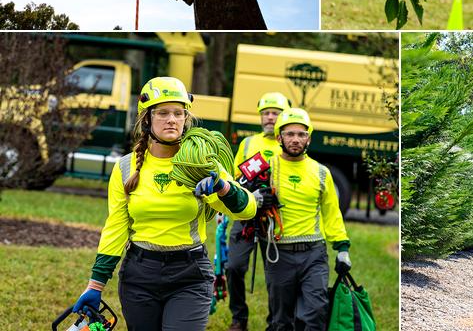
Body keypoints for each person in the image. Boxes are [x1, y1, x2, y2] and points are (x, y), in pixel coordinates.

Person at [70, 76, 257, 330]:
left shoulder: (202, 164)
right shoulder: (125, 167)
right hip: (139, 274)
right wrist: (96, 284)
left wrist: (222, 187)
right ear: (147, 118)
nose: (172, 119)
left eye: (179, 113)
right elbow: (115, 228)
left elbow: (247, 210)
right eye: (163, 113)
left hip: (190, 275)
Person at [265, 107, 351, 331]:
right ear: (279, 137)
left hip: (313, 254)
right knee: (281, 320)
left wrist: (342, 249)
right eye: (290, 134)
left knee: (316, 313)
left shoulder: (322, 172)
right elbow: (242, 202)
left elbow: (332, 213)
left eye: (301, 134)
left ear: (309, 139)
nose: (295, 139)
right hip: (278, 254)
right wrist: (255, 199)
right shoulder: (266, 170)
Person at [226, 91, 291, 331]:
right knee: (233, 266)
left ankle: (275, 322)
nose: (270, 117)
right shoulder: (248, 144)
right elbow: (235, 178)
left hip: (274, 219)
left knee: (276, 275)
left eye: (275, 113)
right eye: (266, 113)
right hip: (246, 216)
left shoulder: (289, 144)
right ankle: (239, 317)